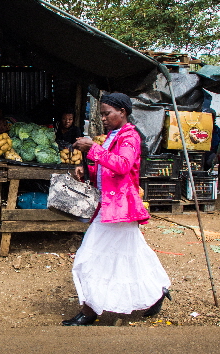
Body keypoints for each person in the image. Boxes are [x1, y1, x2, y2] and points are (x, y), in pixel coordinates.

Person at [62, 92, 171, 326]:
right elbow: (108, 169)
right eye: (101, 114)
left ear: (122, 112)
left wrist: (92, 148)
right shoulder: (114, 135)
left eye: (107, 113)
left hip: (119, 209)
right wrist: (88, 172)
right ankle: (157, 293)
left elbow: (122, 165)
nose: (103, 118)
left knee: (88, 256)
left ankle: (90, 310)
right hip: (114, 207)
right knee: (133, 256)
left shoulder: (130, 136)